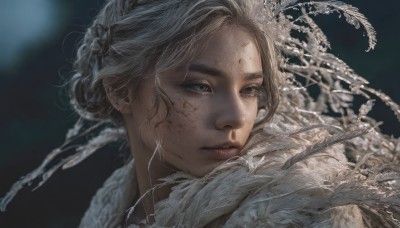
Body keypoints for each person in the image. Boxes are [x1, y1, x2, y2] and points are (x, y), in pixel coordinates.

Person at [1, 0, 399, 227]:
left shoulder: (305, 210)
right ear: (121, 90)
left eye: (250, 89)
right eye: (199, 86)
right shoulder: (107, 213)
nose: (235, 117)